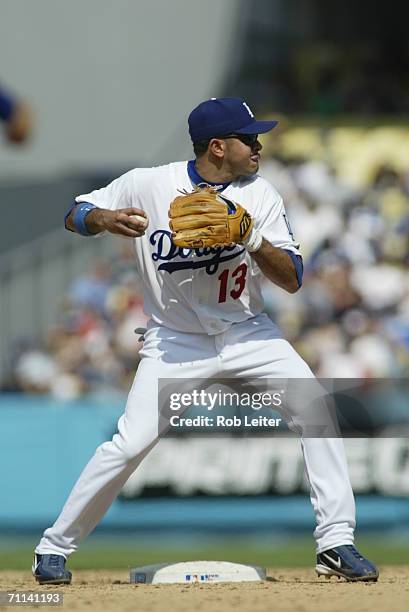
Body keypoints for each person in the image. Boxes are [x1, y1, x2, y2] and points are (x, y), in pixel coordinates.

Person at [32, 97, 378, 584]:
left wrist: (252, 239)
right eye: (248, 137)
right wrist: (105, 220)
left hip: (248, 332)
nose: (258, 145)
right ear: (217, 146)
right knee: (129, 445)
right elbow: (75, 213)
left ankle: (336, 542)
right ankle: (53, 549)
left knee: (315, 409)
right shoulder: (150, 184)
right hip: (175, 342)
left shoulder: (261, 195)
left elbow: (293, 278)